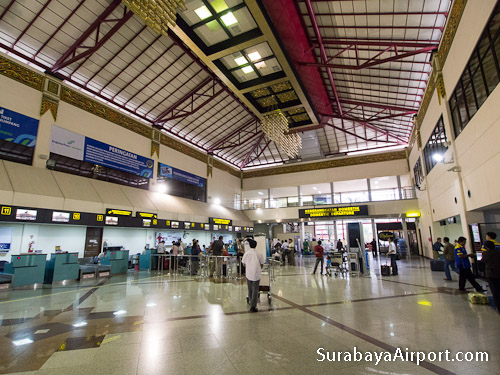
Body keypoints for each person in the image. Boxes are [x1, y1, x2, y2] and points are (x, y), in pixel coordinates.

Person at [242, 238, 265, 312]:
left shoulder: (247, 253)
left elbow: (244, 263)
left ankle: (251, 302)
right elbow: (262, 263)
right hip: (256, 273)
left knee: (250, 289)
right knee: (255, 289)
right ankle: (253, 306)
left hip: (249, 273)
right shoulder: (259, 253)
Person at [482, 241, 500, 314]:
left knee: (495, 291)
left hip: (491, 275)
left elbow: (482, 262)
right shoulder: (499, 252)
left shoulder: (485, 254)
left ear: (486, 247)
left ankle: (499, 307)